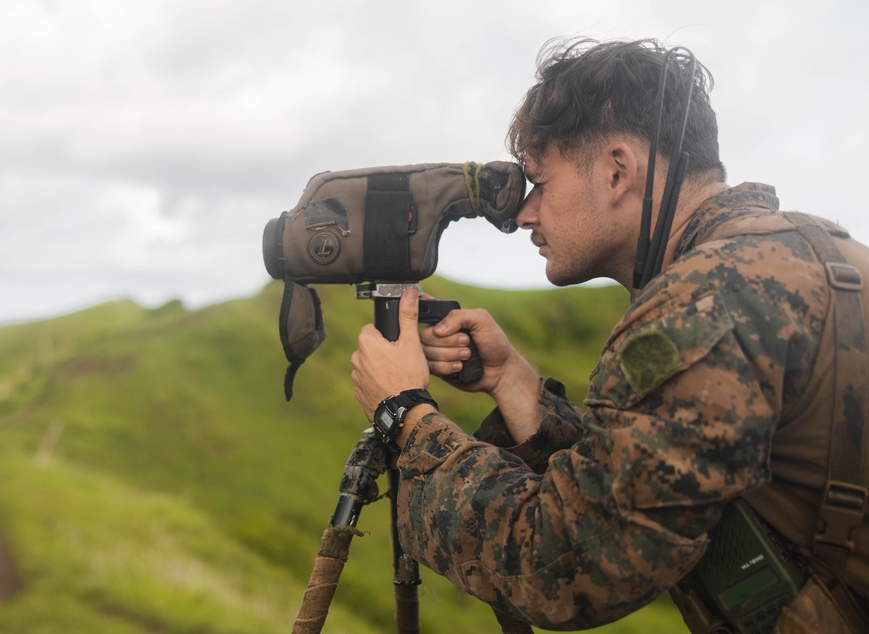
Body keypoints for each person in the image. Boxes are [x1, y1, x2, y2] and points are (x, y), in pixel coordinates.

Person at [350, 38, 869, 632]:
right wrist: (515, 384)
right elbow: (647, 477)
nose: (524, 213)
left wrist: (405, 415)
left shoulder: (698, 304)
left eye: (541, 183)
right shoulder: (813, 255)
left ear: (618, 171)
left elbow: (569, 564)